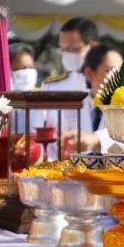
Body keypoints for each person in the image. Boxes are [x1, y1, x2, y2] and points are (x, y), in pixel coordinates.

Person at [35, 17, 98, 154]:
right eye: (63, 49)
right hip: (62, 163)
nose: (67, 54)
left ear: (92, 46)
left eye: (72, 49)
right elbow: (43, 129)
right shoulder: (52, 87)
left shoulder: (107, 81)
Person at [61, 45, 124, 154]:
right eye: (110, 70)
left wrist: (97, 139)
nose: (118, 77)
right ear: (89, 74)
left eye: (122, 71)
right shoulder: (71, 103)